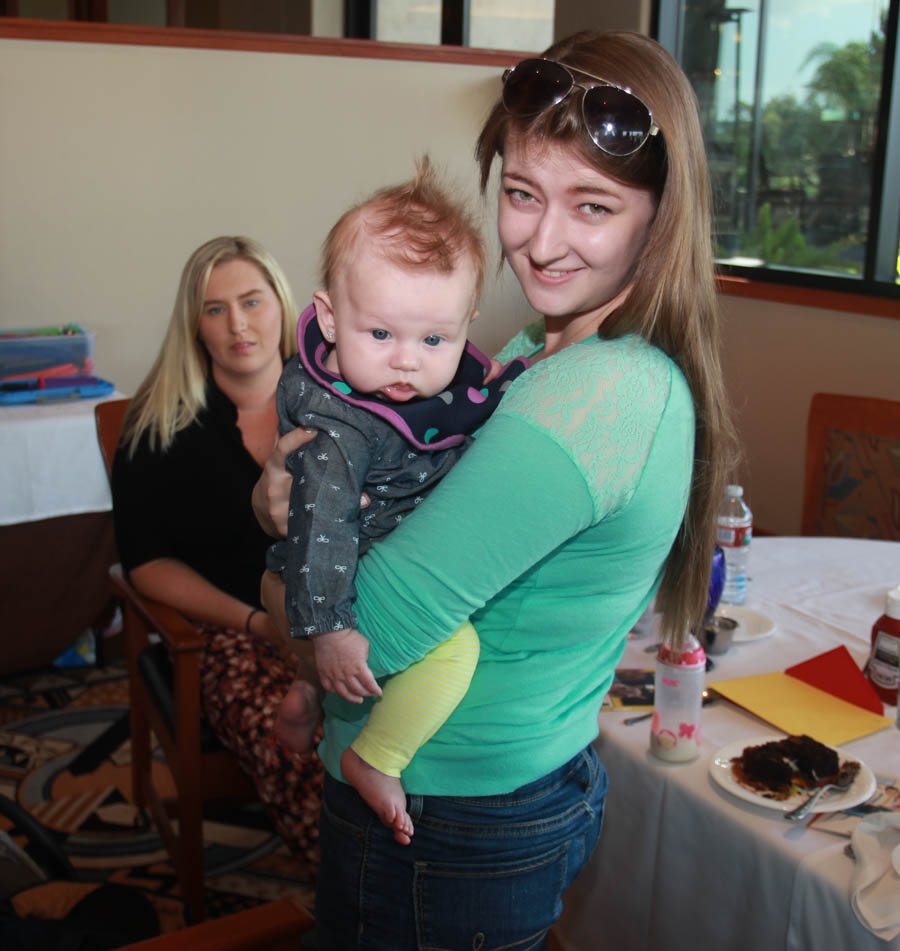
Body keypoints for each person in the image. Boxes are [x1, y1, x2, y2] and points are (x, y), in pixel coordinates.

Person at [255, 30, 736, 948]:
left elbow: (375, 629)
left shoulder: (598, 394)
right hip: (485, 792)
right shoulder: (534, 352)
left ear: (659, 216)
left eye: (591, 205)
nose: (541, 241)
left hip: (451, 814)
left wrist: (271, 572)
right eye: (521, 193)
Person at [267, 162, 529, 845]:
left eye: (434, 340)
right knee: (453, 651)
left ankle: (301, 694)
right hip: (332, 568)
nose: (407, 361)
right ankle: (377, 756)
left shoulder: (421, 378)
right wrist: (326, 626)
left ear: (466, 324)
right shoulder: (341, 421)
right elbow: (321, 520)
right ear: (328, 317)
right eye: (380, 335)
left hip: (350, 557)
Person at [111, 236, 322, 868]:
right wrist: (259, 623)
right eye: (215, 309)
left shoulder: (339, 401)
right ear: (193, 325)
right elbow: (145, 562)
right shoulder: (159, 426)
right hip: (232, 634)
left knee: (423, 741)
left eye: (252, 301)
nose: (238, 324)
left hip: (341, 616)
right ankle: (359, 908)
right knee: (311, 767)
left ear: (281, 307)